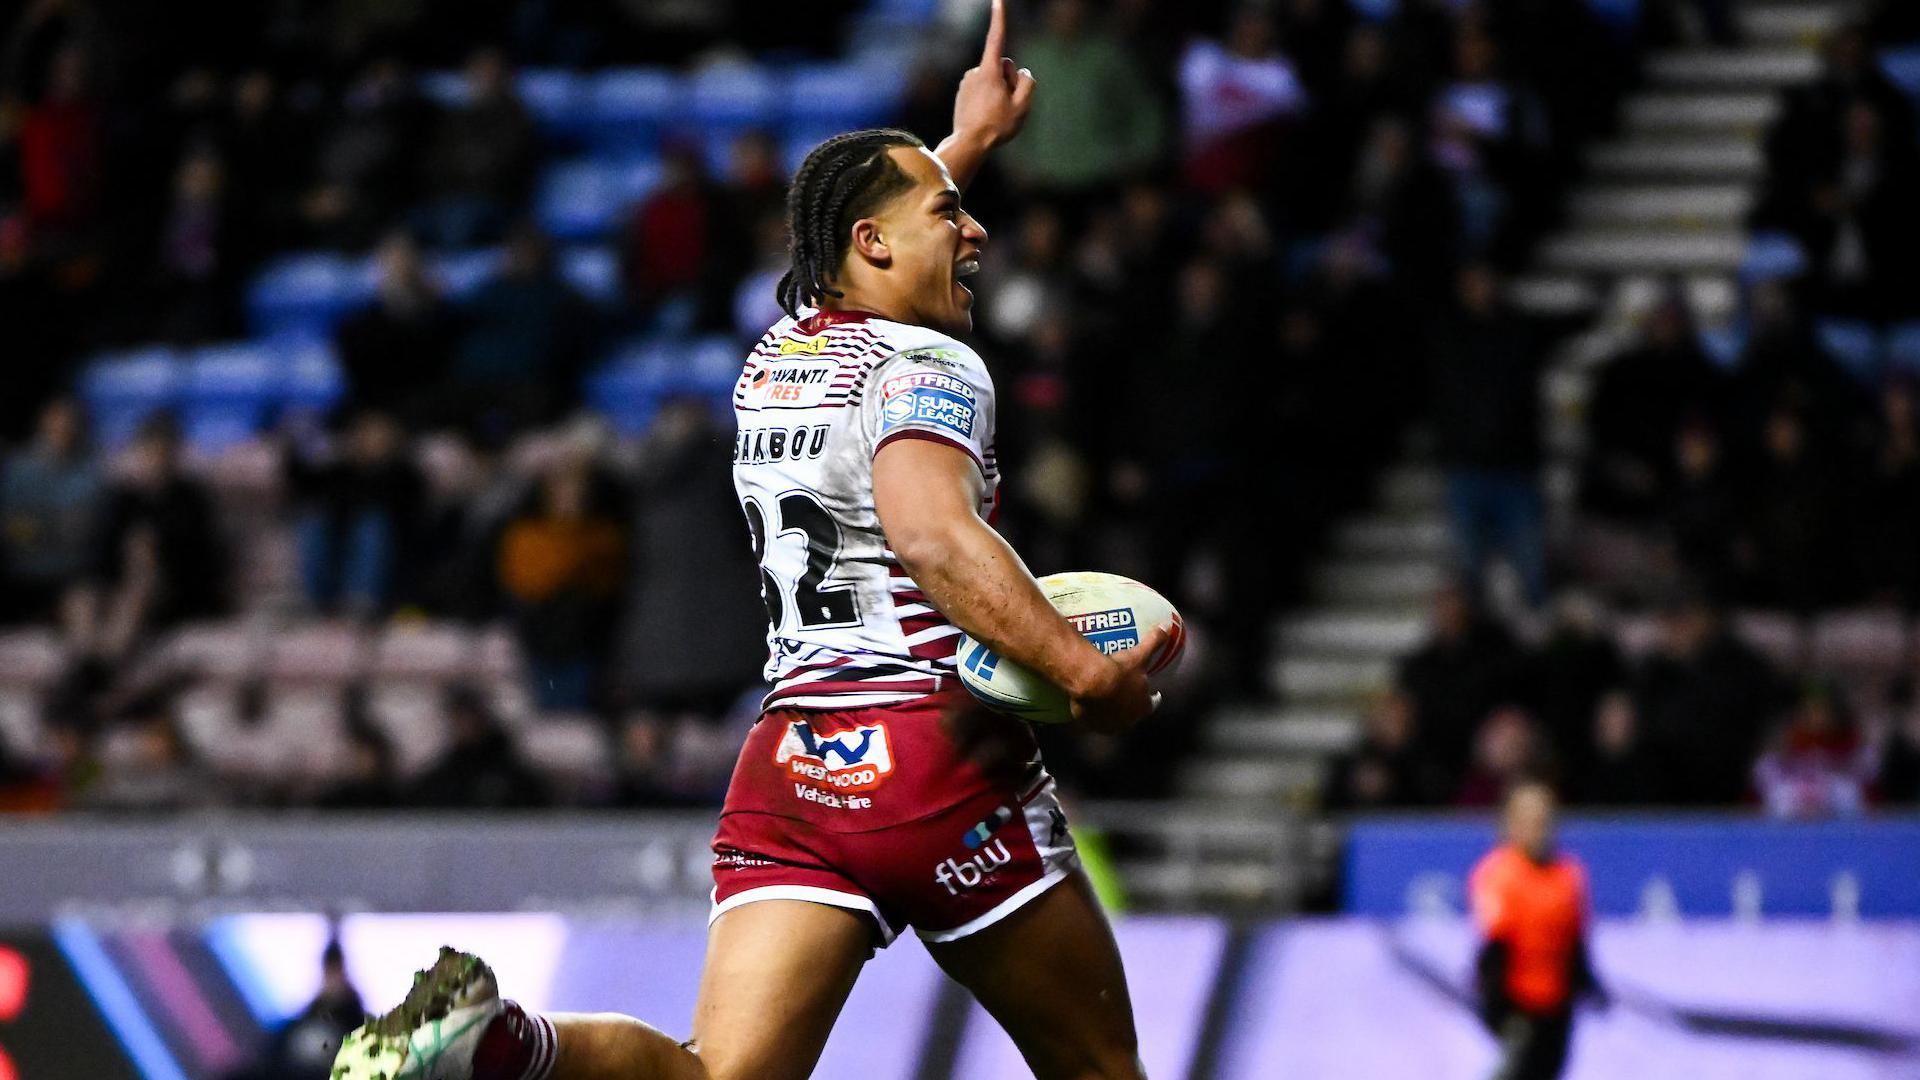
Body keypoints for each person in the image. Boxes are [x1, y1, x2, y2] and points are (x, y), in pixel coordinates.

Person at [332, 8, 1170, 1080]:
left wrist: (958, 151)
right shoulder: (931, 363)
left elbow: (864, 236)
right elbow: (929, 534)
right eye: (950, 215)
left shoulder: (775, 355)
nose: (977, 233)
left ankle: (505, 1047)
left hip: (794, 767)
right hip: (937, 761)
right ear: (872, 244)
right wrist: (1082, 672)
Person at [1470, 783, 1609, 1080]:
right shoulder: (1500, 873)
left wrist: (1588, 983)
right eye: (1526, 820)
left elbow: (1575, 941)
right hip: (1518, 1005)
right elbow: (1496, 943)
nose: (1535, 829)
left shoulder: (1569, 875)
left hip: (1558, 1005)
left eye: (1542, 820)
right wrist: (1493, 1002)